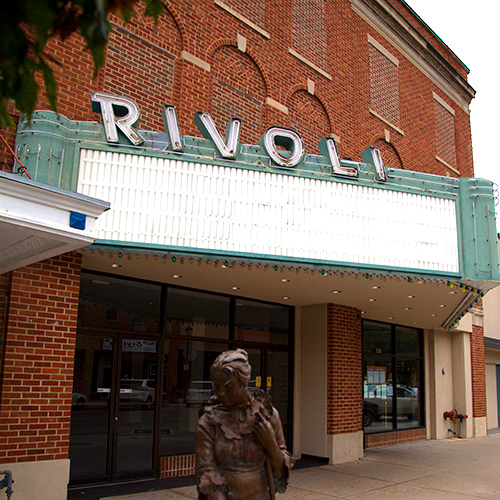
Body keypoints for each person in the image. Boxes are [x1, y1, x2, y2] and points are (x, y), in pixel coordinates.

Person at [195, 349, 294, 500]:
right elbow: (206, 472)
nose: (220, 393)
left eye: (228, 387)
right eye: (217, 386)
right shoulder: (209, 422)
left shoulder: (267, 415)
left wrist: (271, 446)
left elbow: (281, 473)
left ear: (244, 383)